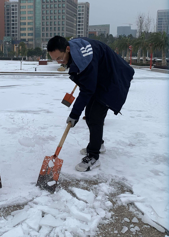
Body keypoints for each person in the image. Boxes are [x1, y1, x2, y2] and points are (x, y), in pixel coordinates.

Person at [47, 35, 134, 172]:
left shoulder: (84, 59)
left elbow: (88, 89)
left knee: (94, 116)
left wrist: (74, 114)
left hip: (113, 78)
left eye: (60, 58)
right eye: (55, 59)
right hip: (101, 76)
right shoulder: (74, 51)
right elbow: (87, 82)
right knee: (90, 114)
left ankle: (93, 156)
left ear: (68, 49)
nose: (59, 62)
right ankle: (98, 144)